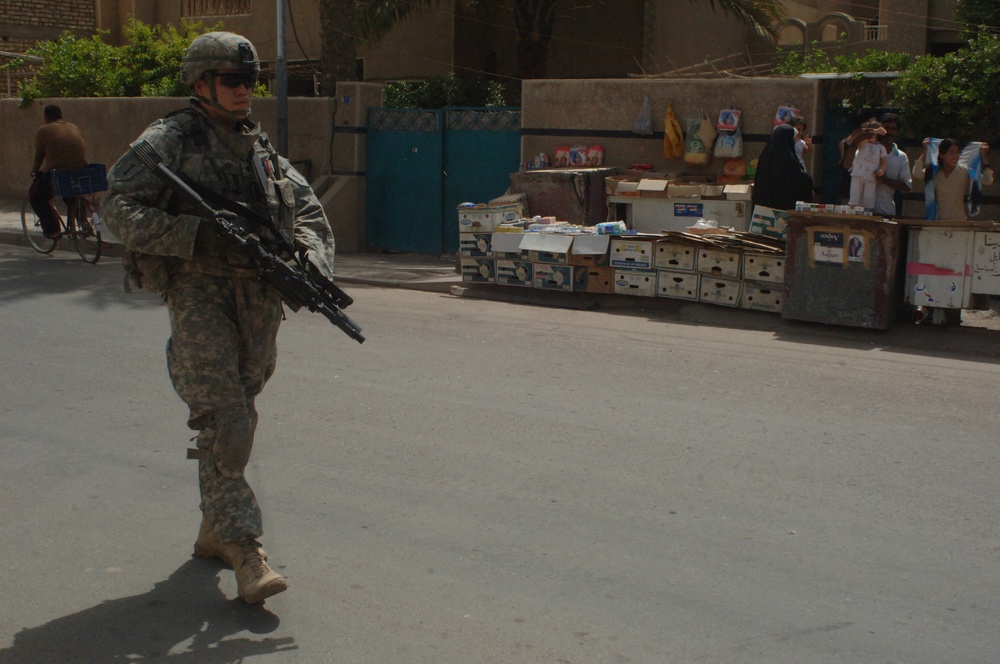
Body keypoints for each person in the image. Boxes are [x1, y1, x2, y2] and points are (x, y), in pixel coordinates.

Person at [101, 32, 338, 604]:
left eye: (250, 81)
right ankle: (244, 547)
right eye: (233, 80)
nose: (244, 91)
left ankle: (212, 527)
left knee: (242, 412)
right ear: (201, 83)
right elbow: (116, 207)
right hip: (199, 293)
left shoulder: (256, 146)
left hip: (259, 297)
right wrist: (196, 236)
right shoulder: (169, 141)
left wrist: (311, 257)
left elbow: (306, 210)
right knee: (225, 419)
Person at [29, 105, 88, 239]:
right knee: (71, 193)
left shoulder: (44, 130)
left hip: (59, 173)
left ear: (47, 117)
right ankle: (83, 221)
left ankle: (52, 230)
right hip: (80, 171)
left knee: (36, 197)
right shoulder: (74, 127)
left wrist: (34, 171)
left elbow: (39, 155)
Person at [841, 112, 911, 217]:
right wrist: (856, 142)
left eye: (893, 129)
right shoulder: (864, 149)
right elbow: (847, 165)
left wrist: (885, 180)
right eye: (886, 128)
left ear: (898, 132)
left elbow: (906, 187)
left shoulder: (901, 157)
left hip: (885, 212)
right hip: (860, 212)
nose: (889, 132)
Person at [911, 137, 993, 220]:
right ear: (942, 155)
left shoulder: (964, 171)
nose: (955, 156)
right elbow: (916, 173)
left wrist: (984, 157)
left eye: (957, 153)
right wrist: (925, 151)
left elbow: (988, 180)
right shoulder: (934, 172)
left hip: (958, 220)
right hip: (937, 221)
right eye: (951, 153)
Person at [751, 123, 813, 211]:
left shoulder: (765, 161)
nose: (795, 142)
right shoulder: (792, 166)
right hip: (786, 216)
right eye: (793, 139)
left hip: (764, 216)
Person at [847, 119, 887, 210]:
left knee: (869, 196)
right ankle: (853, 208)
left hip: (871, 175)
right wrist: (874, 131)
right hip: (858, 173)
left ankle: (868, 211)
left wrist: (882, 169)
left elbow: (884, 161)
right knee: (855, 194)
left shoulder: (880, 147)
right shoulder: (863, 144)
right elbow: (859, 141)